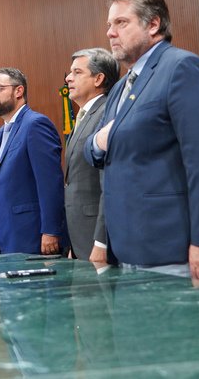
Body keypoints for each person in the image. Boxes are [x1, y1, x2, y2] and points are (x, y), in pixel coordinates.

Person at [85, 0, 199, 281]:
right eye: (109, 24)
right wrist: (97, 141)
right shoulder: (120, 88)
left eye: (121, 23)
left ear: (153, 24)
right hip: (126, 252)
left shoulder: (182, 68)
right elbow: (95, 152)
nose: (110, 33)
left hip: (172, 252)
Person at [0, 67, 66, 254]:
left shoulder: (35, 124)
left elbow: (50, 182)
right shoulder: (0, 134)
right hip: (7, 236)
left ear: (19, 91)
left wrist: (51, 230)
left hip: (33, 235)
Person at [63, 47, 118, 261]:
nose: (68, 78)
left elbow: (108, 182)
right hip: (81, 238)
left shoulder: (106, 112)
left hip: (98, 237)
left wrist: (101, 241)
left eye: (77, 72)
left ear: (98, 79)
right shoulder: (84, 116)